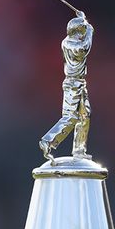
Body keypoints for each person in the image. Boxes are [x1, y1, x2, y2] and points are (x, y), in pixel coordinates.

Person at [39, 13, 94, 160]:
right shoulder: (71, 44)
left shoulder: (68, 41)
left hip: (80, 84)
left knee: (85, 115)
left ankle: (79, 150)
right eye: (82, 30)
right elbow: (85, 47)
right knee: (70, 117)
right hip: (72, 84)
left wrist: (83, 21)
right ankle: (48, 141)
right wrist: (89, 28)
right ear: (78, 31)